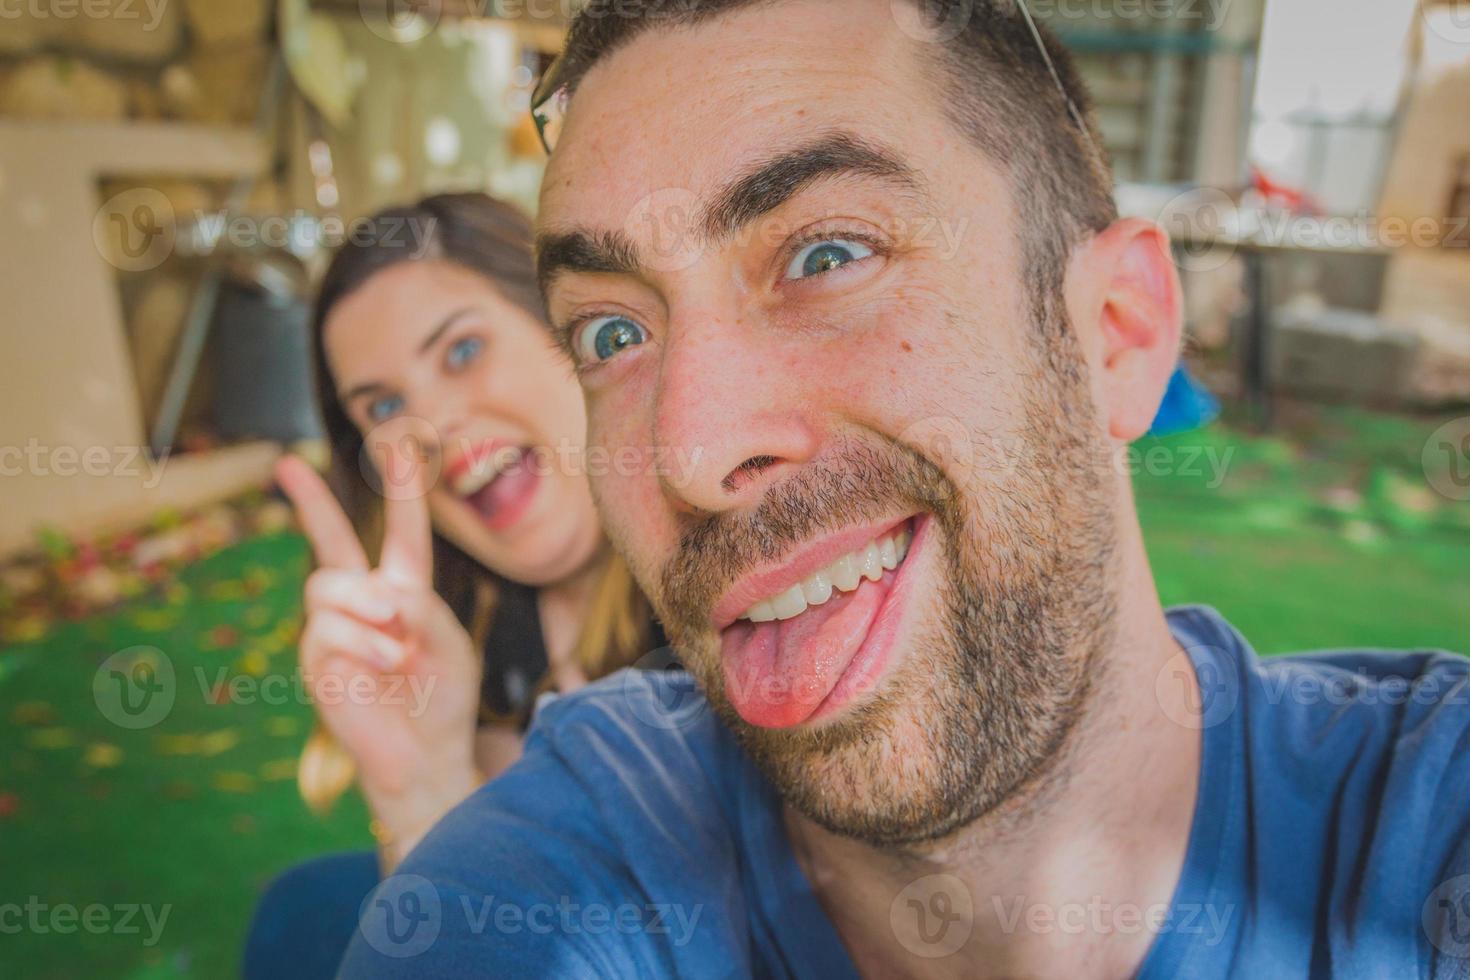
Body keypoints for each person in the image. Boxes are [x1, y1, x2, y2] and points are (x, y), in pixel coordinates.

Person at [341, 3, 1470, 978]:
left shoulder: (1428, 841)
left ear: (1118, 333)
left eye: (826, 255)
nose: (686, 451)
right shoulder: (579, 863)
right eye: (613, 329)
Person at [243, 193, 661, 979]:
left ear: (570, 326)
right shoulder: (466, 613)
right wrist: (421, 793)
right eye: (385, 405)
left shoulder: (724, 594)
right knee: (297, 916)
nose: (424, 428)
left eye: (463, 350)